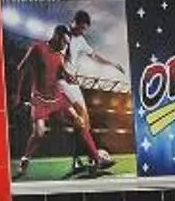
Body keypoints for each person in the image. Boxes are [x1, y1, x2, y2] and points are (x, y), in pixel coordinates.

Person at [12, 24, 111, 179]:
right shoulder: (37, 48)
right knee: (39, 133)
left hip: (58, 98)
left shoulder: (59, 56)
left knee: (80, 121)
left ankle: (96, 159)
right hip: (40, 100)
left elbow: (60, 73)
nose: (65, 46)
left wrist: (68, 77)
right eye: (64, 42)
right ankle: (25, 160)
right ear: (56, 36)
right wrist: (17, 94)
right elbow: (21, 68)